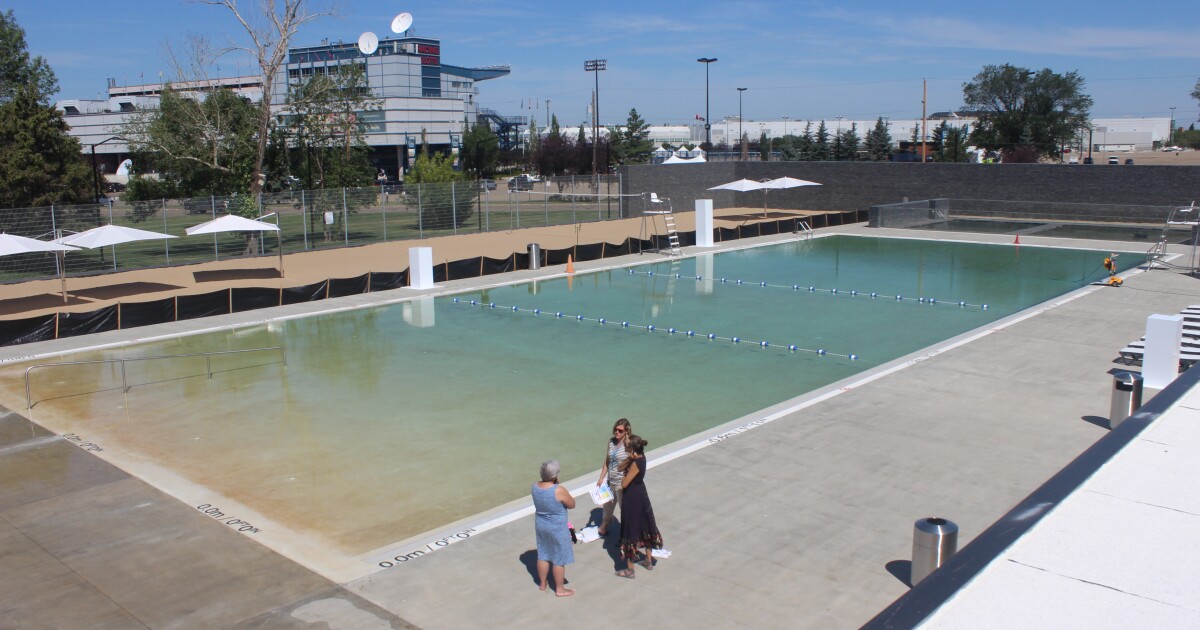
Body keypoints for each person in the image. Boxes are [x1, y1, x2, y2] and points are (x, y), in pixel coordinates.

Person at [615, 435, 663, 578]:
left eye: (627, 445)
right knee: (645, 525)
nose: (624, 446)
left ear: (632, 448)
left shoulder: (636, 464)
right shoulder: (639, 458)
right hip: (641, 494)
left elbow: (624, 483)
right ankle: (648, 560)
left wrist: (630, 464)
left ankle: (630, 570)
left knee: (630, 529)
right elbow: (619, 467)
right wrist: (630, 458)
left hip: (632, 497)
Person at [532, 459, 576, 596]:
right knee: (559, 558)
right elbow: (572, 504)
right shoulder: (558, 490)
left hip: (541, 524)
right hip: (557, 527)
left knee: (543, 554)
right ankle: (560, 589)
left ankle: (543, 583)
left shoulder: (534, 486)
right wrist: (558, 485)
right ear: (555, 476)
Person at [596, 418, 631, 536]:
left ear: (626, 431)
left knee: (624, 509)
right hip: (610, 481)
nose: (617, 432)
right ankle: (604, 526)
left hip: (621, 483)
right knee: (607, 506)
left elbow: (633, 462)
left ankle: (627, 534)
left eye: (620, 431)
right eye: (616, 430)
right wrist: (601, 478)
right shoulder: (611, 442)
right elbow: (607, 461)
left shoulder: (629, 444)